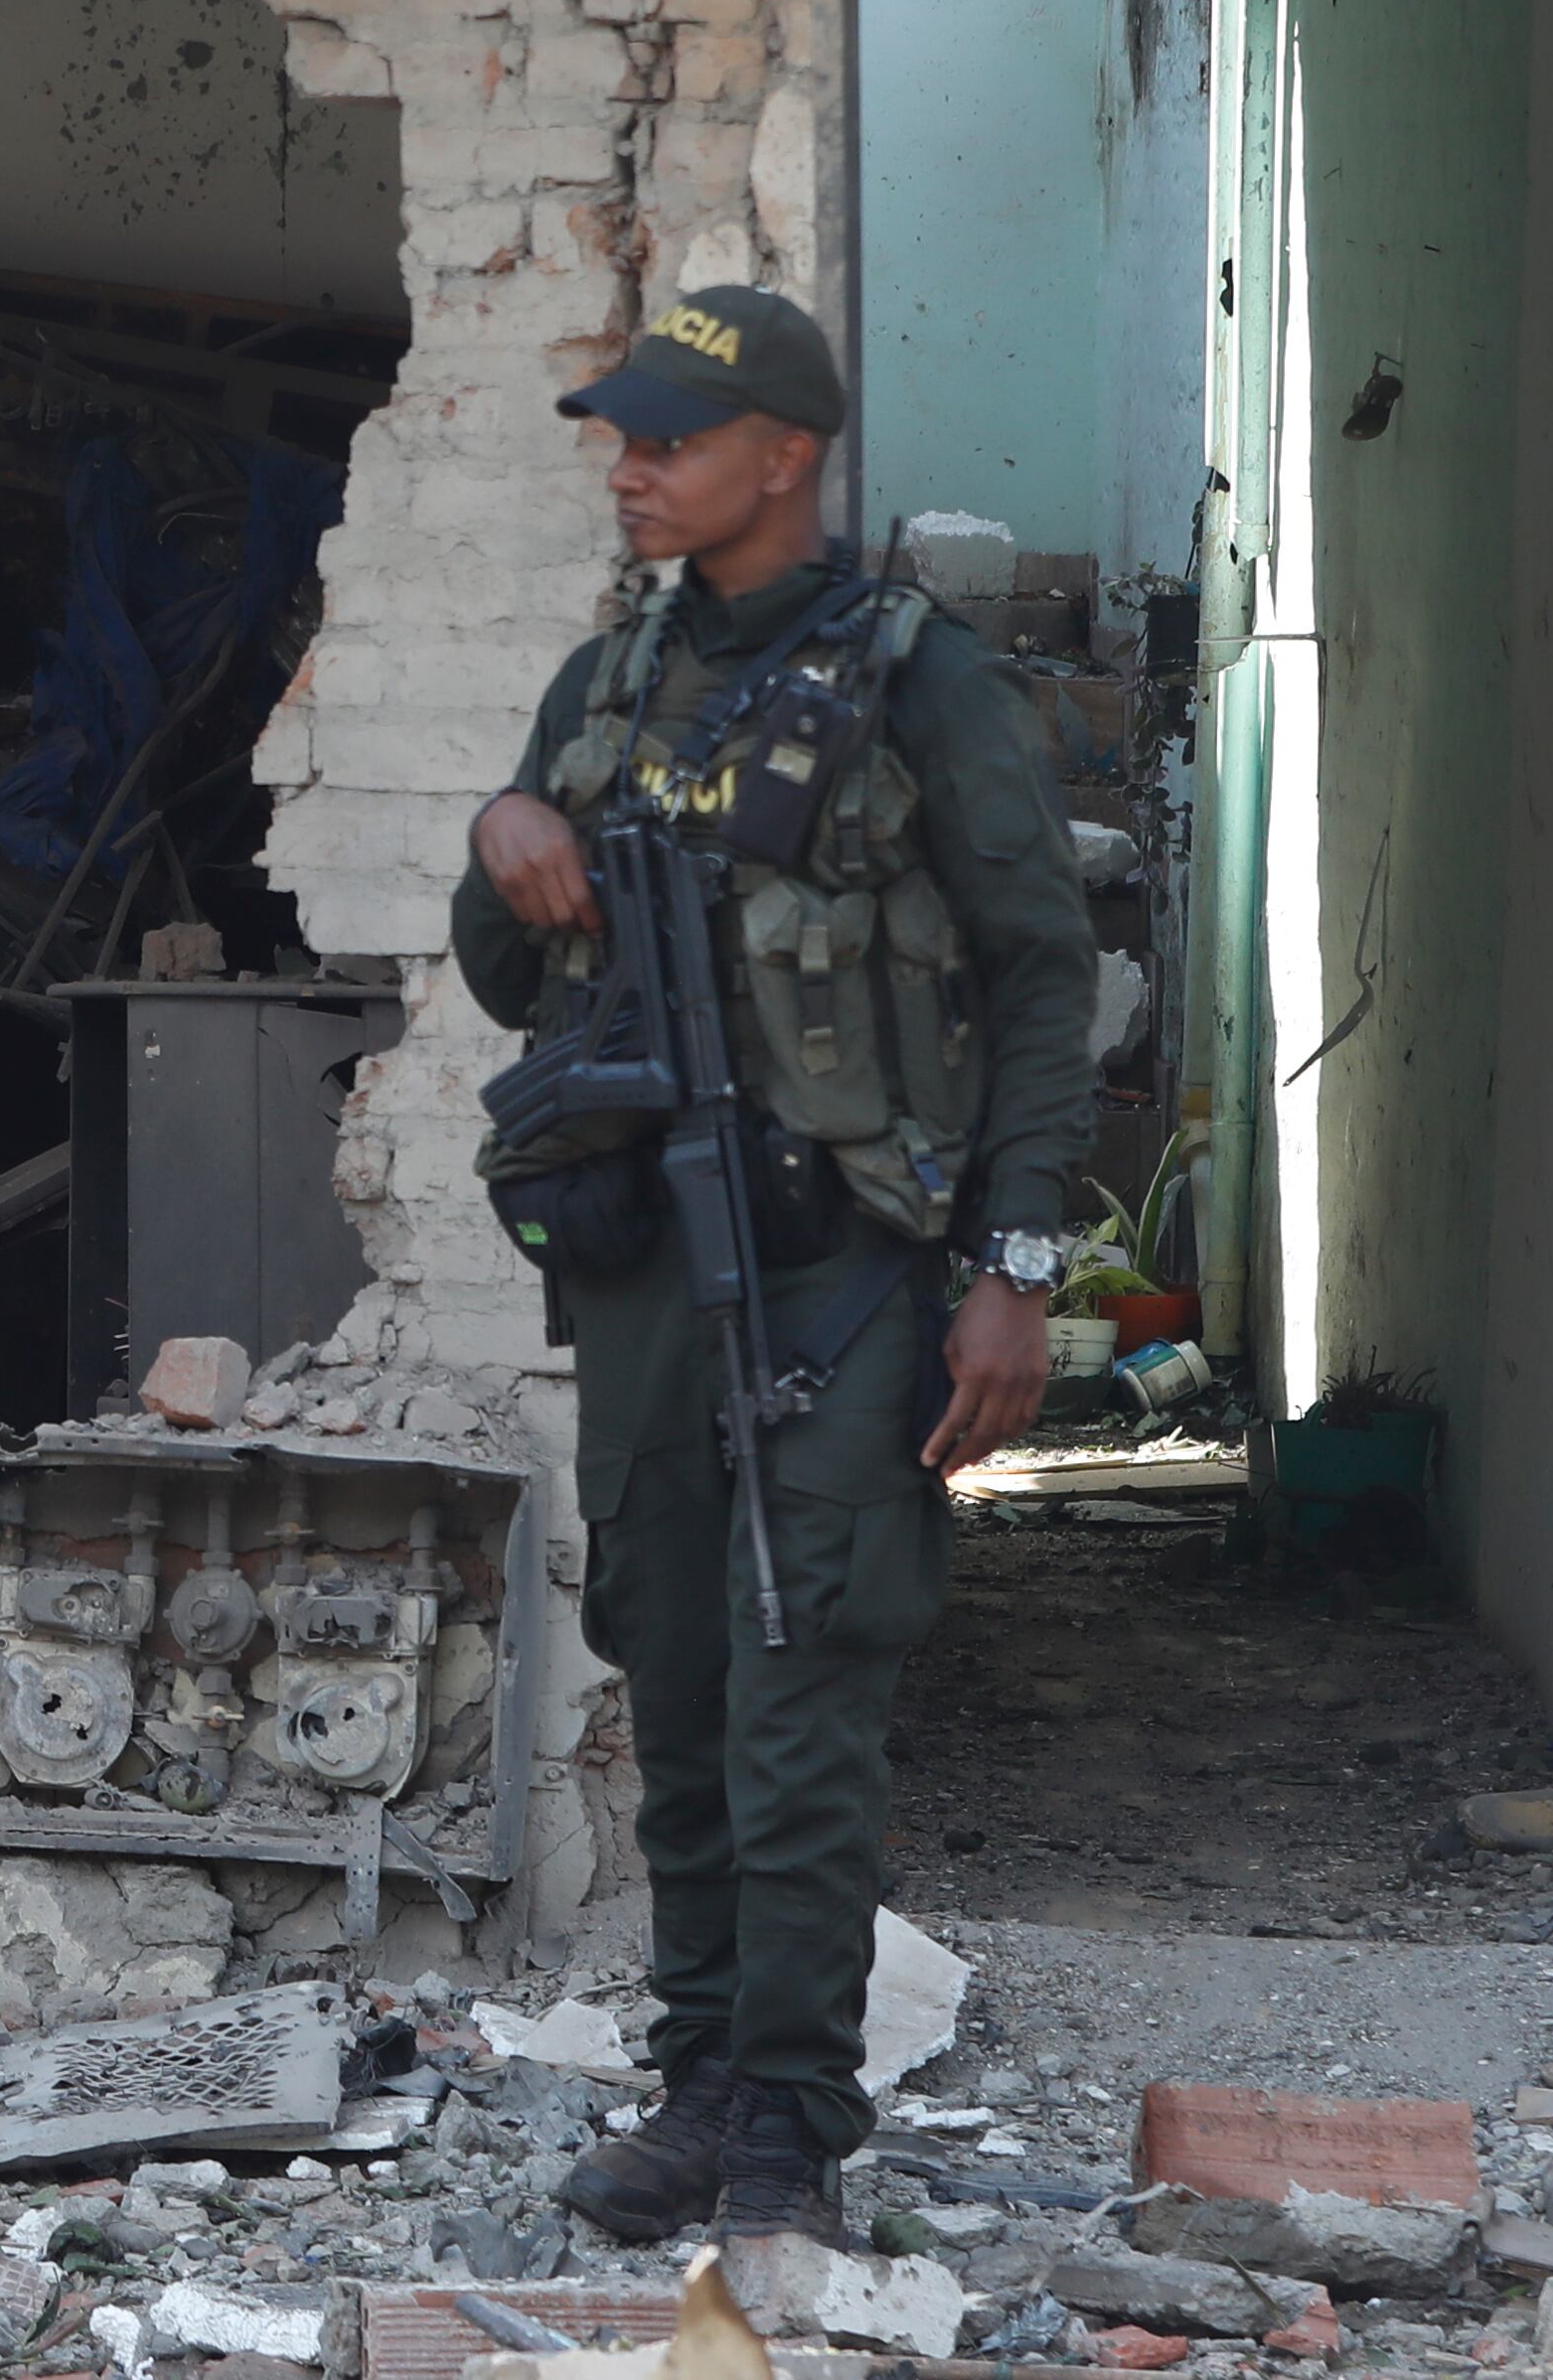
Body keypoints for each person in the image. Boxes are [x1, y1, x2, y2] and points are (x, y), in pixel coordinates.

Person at [448, 283, 1096, 2246]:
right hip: (648, 1262)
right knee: (675, 1650)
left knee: (805, 1679)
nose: (633, 467)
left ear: (784, 456)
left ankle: (792, 2126)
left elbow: (1044, 971)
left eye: (671, 436)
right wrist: (504, 829)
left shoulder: (925, 678)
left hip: (849, 1265)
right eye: (624, 437)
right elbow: (504, 978)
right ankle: (700, 2076)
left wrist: (1019, 1261)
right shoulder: (609, 675)